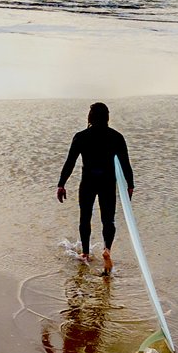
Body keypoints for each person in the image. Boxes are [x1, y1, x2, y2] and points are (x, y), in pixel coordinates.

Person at [56, 101, 134, 277]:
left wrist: (61, 184)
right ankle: (107, 249)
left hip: (88, 182)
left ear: (90, 117)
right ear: (107, 118)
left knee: (85, 217)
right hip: (107, 182)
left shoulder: (81, 137)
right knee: (108, 220)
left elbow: (70, 163)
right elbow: (125, 165)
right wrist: (130, 185)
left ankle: (85, 253)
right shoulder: (116, 137)